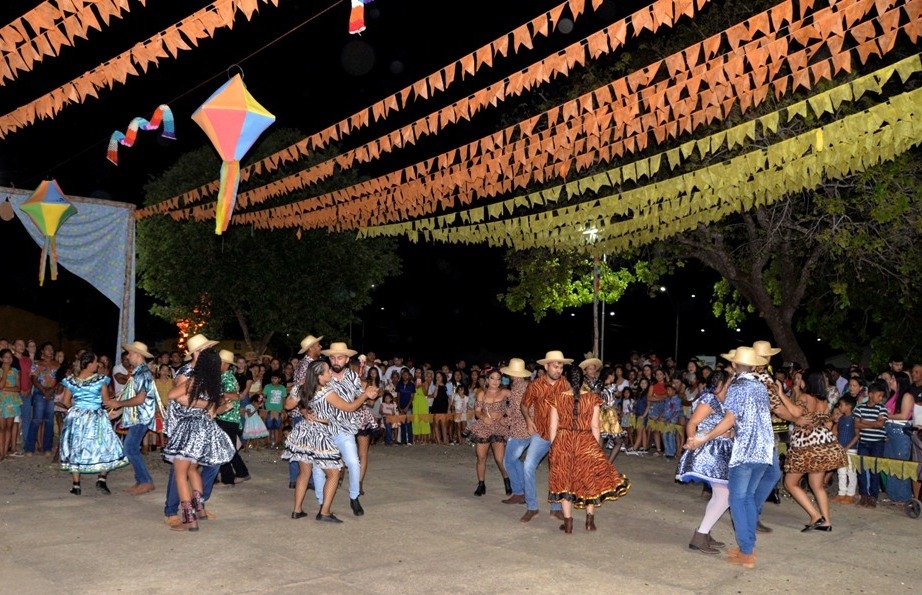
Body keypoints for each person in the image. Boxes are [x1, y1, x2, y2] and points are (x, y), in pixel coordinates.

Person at [685, 347, 774, 569]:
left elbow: (729, 419)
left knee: (737, 500)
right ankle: (748, 548)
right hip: (764, 451)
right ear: (754, 366)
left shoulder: (737, 387)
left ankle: (746, 553)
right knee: (748, 498)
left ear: (734, 366)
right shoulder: (761, 386)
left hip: (745, 452)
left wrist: (703, 439)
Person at [548, 365, 630, 533]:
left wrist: (553, 446)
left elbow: (552, 426)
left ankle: (568, 523)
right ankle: (589, 522)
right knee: (588, 479)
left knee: (564, 480)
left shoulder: (557, 398)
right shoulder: (592, 398)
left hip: (563, 441)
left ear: (566, 379)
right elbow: (595, 426)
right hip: (585, 440)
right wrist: (594, 448)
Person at [162, 347, 235, 531]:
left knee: (180, 473)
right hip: (205, 427)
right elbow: (212, 412)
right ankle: (199, 509)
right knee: (193, 469)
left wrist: (187, 389)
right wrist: (213, 405)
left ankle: (189, 519)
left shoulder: (195, 378)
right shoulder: (214, 382)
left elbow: (172, 396)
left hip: (189, 426)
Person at [295, 358, 377, 521]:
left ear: (346, 359)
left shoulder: (354, 377)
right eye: (333, 357)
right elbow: (301, 398)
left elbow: (369, 400)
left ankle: (353, 497)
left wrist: (369, 394)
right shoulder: (323, 381)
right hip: (323, 430)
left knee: (352, 463)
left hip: (343, 429)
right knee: (322, 469)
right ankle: (322, 505)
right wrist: (305, 411)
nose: (335, 361)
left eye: (340, 357)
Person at [676, 369, 733, 554]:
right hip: (710, 450)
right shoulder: (709, 399)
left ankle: (704, 532)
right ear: (723, 383)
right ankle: (700, 535)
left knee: (721, 495)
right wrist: (692, 440)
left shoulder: (728, 400)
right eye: (729, 380)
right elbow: (692, 423)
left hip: (722, 449)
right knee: (724, 496)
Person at [783, 369, 846, 531]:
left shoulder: (805, 397)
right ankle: (826, 522)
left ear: (807, 381)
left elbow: (795, 413)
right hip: (821, 443)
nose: (799, 381)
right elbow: (826, 422)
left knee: (790, 483)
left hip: (806, 445)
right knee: (817, 486)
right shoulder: (823, 401)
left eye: (801, 379)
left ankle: (815, 516)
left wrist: (782, 394)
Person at [58, 351, 129, 495]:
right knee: (106, 445)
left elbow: (65, 402)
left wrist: (76, 409)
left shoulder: (71, 381)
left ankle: (76, 485)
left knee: (75, 447)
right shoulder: (100, 380)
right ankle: (102, 479)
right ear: (89, 364)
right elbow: (105, 401)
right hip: (96, 416)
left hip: (77, 416)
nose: (98, 365)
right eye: (96, 362)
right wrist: (120, 403)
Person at [518, 351, 569, 522]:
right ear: (546, 366)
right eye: (555, 366)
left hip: (560, 434)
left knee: (557, 469)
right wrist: (528, 420)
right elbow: (524, 405)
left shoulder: (565, 384)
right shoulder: (535, 385)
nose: (558, 370)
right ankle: (532, 507)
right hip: (540, 434)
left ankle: (555, 508)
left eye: (561, 367)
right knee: (528, 466)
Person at [106, 341, 160, 495]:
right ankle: (142, 480)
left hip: (141, 417)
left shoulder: (142, 373)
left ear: (137, 354)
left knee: (129, 448)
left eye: (130, 354)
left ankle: (145, 481)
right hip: (138, 415)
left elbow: (140, 399)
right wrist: (120, 410)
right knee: (131, 448)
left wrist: (118, 403)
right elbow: (135, 397)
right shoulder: (139, 372)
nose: (128, 357)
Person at [467, 368, 512, 497]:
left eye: (498, 379)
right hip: (484, 427)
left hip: (498, 427)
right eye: (492, 378)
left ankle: (507, 479)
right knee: (481, 457)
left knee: (499, 459)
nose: (495, 381)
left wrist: (506, 416)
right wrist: (483, 417)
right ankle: (481, 484)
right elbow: (477, 411)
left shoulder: (504, 392)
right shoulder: (482, 393)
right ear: (487, 379)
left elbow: (519, 401)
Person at [499, 358, 534, 507]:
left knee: (508, 461)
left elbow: (521, 412)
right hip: (526, 428)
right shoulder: (525, 386)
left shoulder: (519, 388)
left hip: (520, 430)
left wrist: (505, 420)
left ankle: (521, 492)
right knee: (513, 461)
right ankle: (523, 492)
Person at [215, 349, 250, 486]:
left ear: (225, 364)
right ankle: (238, 473)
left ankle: (230, 477)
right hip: (226, 418)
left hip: (228, 418)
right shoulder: (224, 376)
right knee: (227, 447)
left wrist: (221, 396)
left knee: (225, 448)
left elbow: (235, 396)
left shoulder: (228, 378)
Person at [853, 380, 889, 508]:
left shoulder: (882, 408)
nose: (881, 398)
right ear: (871, 394)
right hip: (863, 442)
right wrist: (873, 423)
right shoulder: (859, 408)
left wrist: (864, 422)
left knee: (875, 470)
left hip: (877, 443)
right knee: (861, 469)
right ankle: (864, 495)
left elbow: (881, 424)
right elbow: (856, 424)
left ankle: (873, 497)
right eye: (879, 395)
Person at [27, 341, 58, 456]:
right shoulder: (37, 363)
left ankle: (47, 448)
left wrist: (51, 390)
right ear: (42, 351)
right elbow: (34, 379)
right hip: (40, 392)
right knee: (36, 420)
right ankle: (30, 448)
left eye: (51, 349)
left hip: (51, 392)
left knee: (49, 421)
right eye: (48, 349)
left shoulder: (57, 364)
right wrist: (44, 390)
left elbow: (59, 380)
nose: (50, 351)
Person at [831, 395, 859, 503]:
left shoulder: (854, 419)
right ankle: (841, 492)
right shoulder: (841, 419)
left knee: (851, 471)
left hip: (851, 449)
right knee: (841, 471)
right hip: (841, 448)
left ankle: (850, 494)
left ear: (849, 406)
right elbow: (838, 433)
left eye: (842, 405)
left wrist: (847, 447)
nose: (840, 407)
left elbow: (857, 435)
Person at [0, 348, 22, 461]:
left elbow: (18, 388)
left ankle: (4, 453)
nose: (8, 359)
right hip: (1, 402)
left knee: (9, 427)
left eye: (10, 357)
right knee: (1, 428)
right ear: (1, 358)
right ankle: (1, 452)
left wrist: (5, 388)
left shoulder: (15, 371)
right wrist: (4, 371)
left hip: (12, 402)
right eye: (6, 357)